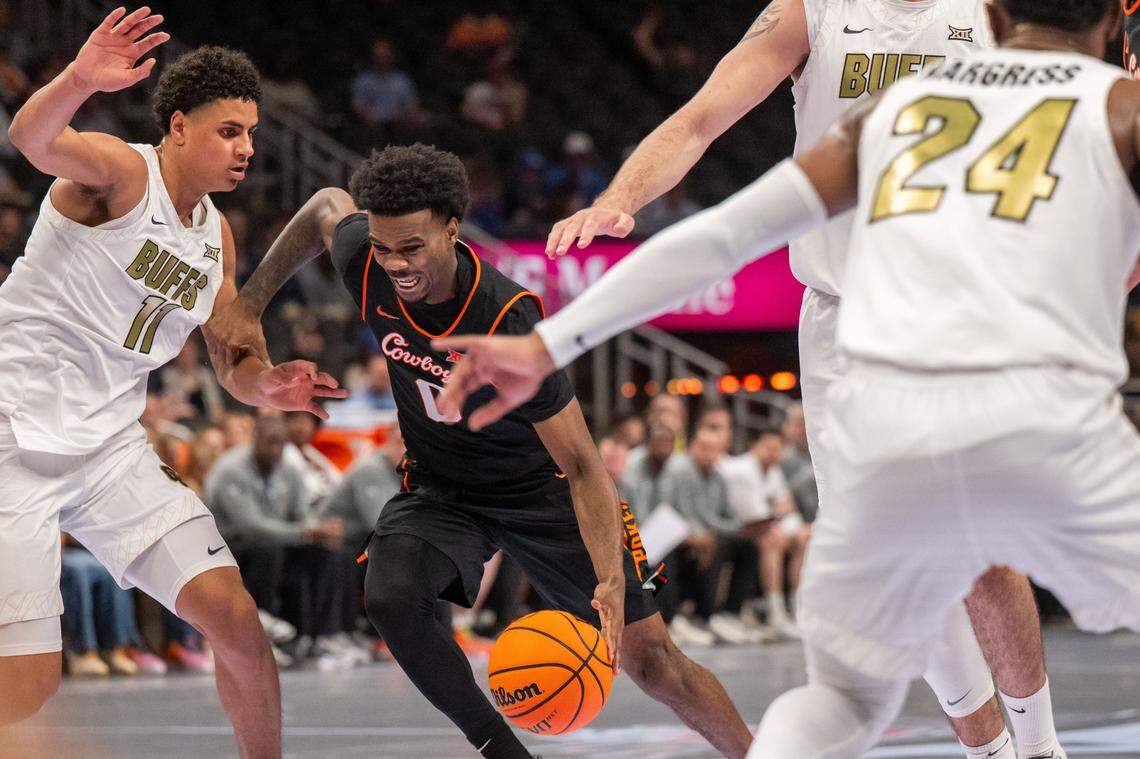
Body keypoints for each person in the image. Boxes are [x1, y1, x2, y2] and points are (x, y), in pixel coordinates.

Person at [437, 3, 1140, 757]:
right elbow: (704, 139)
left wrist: (551, 342)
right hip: (881, 333)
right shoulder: (856, 48)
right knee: (919, 568)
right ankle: (996, 751)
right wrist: (613, 209)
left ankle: (1037, 747)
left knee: (950, 583)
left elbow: (725, 236)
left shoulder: (907, 114)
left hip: (961, 335)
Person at [209, 144, 755, 758]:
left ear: (451, 229)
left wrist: (608, 577)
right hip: (443, 489)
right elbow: (323, 208)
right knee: (390, 597)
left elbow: (581, 464)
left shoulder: (506, 316)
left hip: (541, 490)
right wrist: (249, 304)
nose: (397, 263)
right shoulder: (368, 261)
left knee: (653, 664)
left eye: (412, 247)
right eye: (384, 247)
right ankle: (503, 752)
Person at [0, 9, 344, 755]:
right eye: (230, 131)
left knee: (238, 622)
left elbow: (234, 359)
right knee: (25, 687)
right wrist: (79, 80)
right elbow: (32, 139)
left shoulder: (215, 236)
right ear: (180, 127)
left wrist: (272, 388)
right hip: (12, 435)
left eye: (251, 133)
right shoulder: (123, 174)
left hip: (109, 448)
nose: (246, 147)